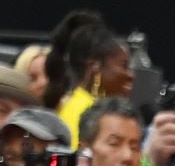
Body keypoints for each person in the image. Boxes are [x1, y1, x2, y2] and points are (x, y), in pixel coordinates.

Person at [43, 10, 134, 144]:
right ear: (95, 67)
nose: (130, 75)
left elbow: (140, 163)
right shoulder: (80, 113)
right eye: (123, 65)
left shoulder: (90, 108)